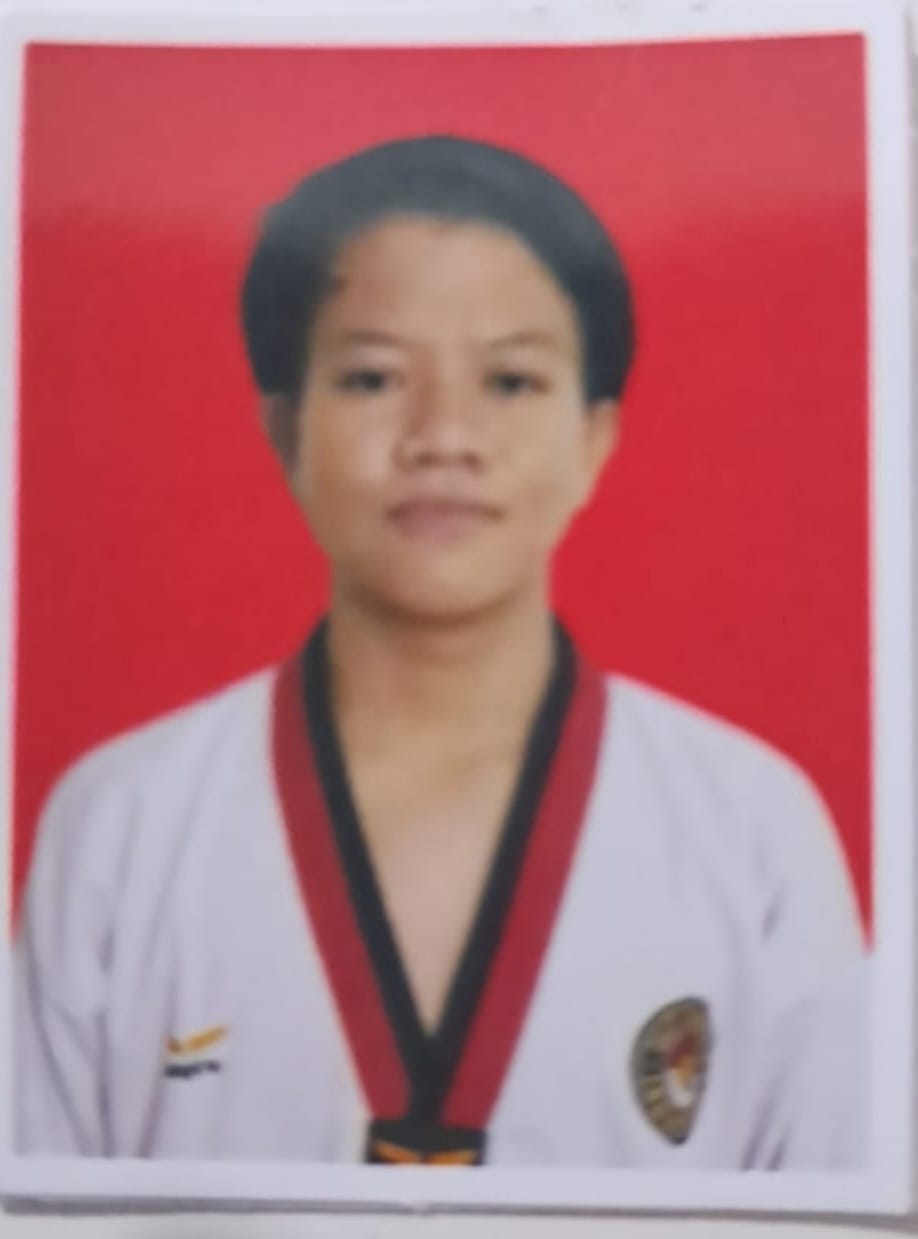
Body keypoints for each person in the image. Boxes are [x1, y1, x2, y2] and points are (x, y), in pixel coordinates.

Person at [14, 135, 866, 1169]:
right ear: (285, 430)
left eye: (510, 381)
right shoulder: (122, 825)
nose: (443, 436)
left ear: (595, 438)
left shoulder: (755, 833)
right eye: (374, 377)